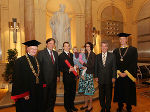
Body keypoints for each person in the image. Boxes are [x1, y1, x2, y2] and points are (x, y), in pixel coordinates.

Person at [11, 40, 42, 112]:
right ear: (27, 49)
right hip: (26, 93)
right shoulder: (20, 61)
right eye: (32, 49)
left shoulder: (37, 60)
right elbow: (17, 79)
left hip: (35, 91)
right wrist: (24, 93)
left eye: (36, 49)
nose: (34, 51)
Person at [113, 33, 138, 112]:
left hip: (128, 76)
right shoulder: (116, 51)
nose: (122, 40)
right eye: (120, 39)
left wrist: (126, 73)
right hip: (119, 75)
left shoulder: (133, 50)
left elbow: (134, 63)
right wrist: (118, 72)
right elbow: (114, 63)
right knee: (119, 91)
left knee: (128, 92)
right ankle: (120, 107)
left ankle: (128, 108)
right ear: (119, 40)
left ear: (127, 40)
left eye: (124, 39)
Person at [37, 38, 60, 112]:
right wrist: (41, 80)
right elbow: (38, 68)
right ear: (46, 44)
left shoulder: (55, 53)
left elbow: (57, 66)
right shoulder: (41, 53)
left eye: (53, 43)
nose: (52, 45)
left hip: (53, 81)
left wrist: (58, 75)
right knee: (44, 98)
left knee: (52, 97)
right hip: (44, 81)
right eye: (50, 43)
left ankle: (51, 110)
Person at [95, 42, 116, 112]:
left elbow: (114, 67)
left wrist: (114, 77)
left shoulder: (112, 56)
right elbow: (96, 67)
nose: (104, 48)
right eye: (102, 46)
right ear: (101, 47)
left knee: (109, 95)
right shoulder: (97, 56)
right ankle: (103, 107)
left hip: (109, 79)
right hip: (100, 79)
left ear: (107, 47)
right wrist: (96, 76)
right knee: (101, 95)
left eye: (105, 46)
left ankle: (108, 108)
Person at [59, 42, 78, 112]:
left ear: (70, 47)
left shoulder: (72, 55)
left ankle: (72, 105)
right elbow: (60, 68)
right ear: (63, 47)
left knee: (73, 92)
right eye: (65, 46)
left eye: (68, 46)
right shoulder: (61, 56)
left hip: (73, 77)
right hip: (67, 78)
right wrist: (68, 70)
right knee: (67, 93)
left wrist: (76, 66)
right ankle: (67, 107)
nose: (67, 47)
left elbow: (75, 64)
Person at [80, 42, 96, 112]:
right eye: (86, 46)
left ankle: (90, 105)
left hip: (89, 74)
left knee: (89, 91)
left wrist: (83, 64)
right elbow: (79, 61)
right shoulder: (85, 54)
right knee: (85, 91)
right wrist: (81, 66)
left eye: (88, 46)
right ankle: (85, 104)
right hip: (84, 74)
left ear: (91, 47)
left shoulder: (93, 54)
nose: (87, 47)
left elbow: (92, 65)